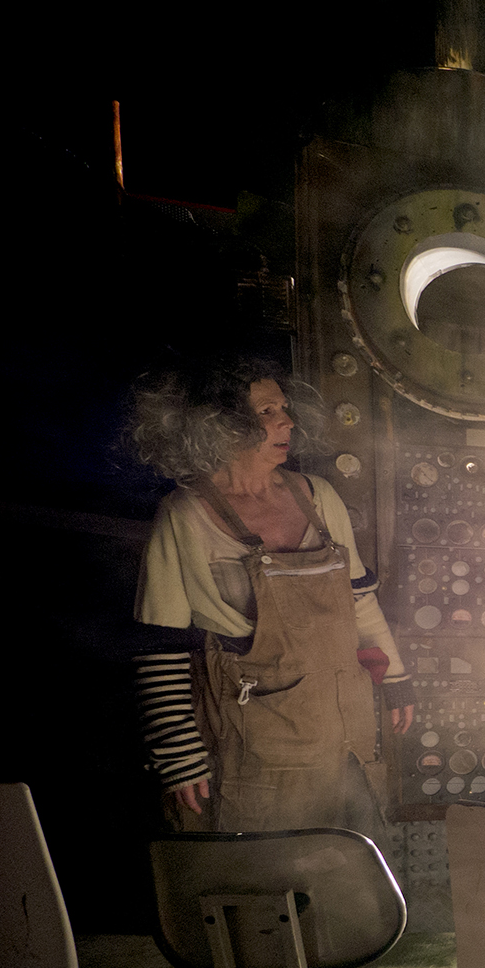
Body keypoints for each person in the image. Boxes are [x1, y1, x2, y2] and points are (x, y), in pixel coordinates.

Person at [129, 357, 414, 834]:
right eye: (266, 412)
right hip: (254, 745)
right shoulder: (184, 516)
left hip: (346, 736)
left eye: (283, 408)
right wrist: (179, 756)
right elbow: (160, 650)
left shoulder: (318, 496)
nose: (287, 421)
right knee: (267, 881)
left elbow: (360, 601)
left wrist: (397, 678)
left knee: (350, 872)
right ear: (217, 425)